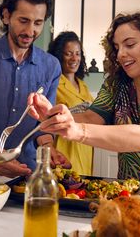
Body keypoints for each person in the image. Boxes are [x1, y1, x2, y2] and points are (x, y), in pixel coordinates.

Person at [28, 11, 140, 196]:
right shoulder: (117, 84)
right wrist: (52, 116)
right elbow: (91, 117)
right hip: (130, 186)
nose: (121, 54)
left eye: (130, 44)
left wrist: (77, 131)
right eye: (117, 47)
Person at [0, 0, 71, 178]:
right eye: (23, 20)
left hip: (26, 172)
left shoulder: (51, 66)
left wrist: (49, 148)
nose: (30, 31)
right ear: (7, 16)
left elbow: (44, 123)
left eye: (38, 23)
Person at [48, 31, 94, 175]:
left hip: (85, 147)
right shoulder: (53, 84)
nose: (74, 58)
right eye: (68, 53)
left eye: (77, 53)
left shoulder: (83, 86)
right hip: (64, 147)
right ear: (58, 55)